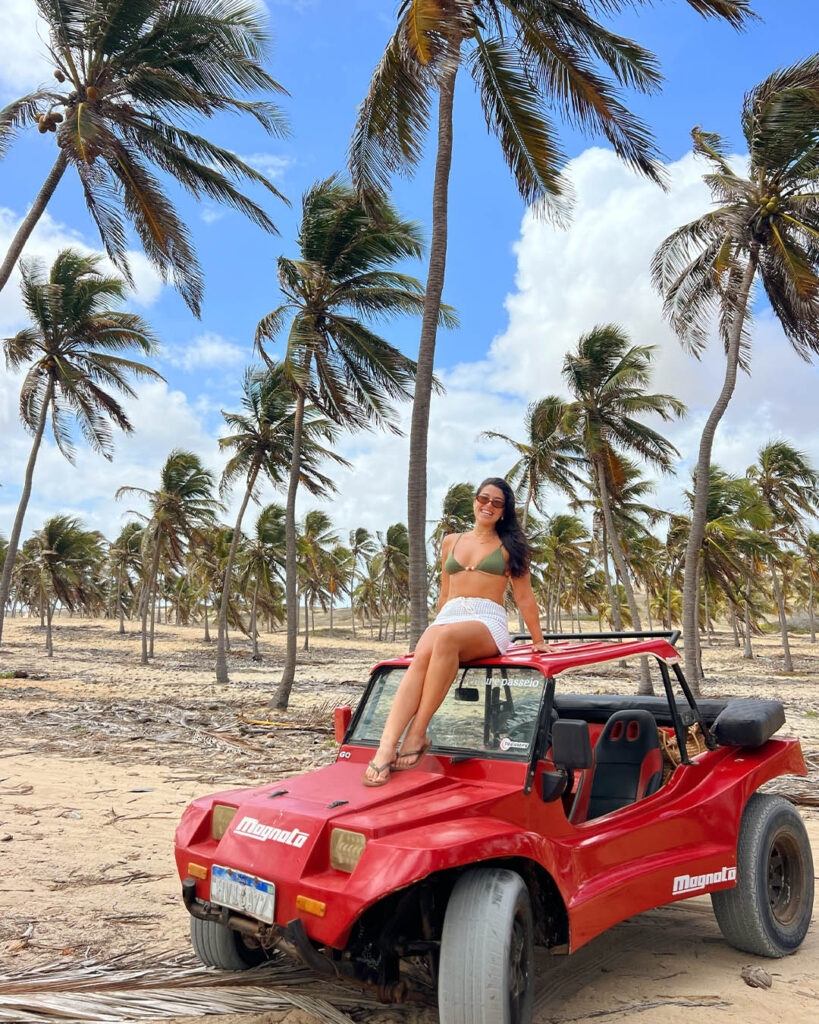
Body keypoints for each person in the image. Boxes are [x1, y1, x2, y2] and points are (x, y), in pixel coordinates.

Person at [363, 477, 547, 786]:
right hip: (450, 616)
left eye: (496, 503)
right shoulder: (451, 541)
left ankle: (418, 732)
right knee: (424, 653)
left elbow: (525, 597)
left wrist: (538, 641)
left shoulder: (511, 546)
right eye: (483, 498)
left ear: (504, 511)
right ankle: (385, 748)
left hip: (487, 621)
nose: (488, 505)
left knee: (445, 639)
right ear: (475, 501)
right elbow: (445, 593)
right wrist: (433, 630)